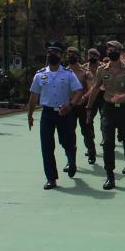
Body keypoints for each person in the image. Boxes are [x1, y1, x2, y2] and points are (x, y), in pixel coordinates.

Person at [27, 41, 83, 190]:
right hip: (47, 114)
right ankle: (51, 178)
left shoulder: (68, 74)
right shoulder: (40, 75)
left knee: (67, 142)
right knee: (47, 146)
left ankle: (71, 160)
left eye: (56, 52)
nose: (52, 55)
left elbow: (78, 92)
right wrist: (30, 115)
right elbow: (33, 96)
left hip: (64, 112)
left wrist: (70, 105)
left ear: (60, 55)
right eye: (50, 52)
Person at [85, 41, 125, 190]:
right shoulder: (102, 70)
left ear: (120, 52)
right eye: (109, 49)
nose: (110, 51)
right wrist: (89, 108)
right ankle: (110, 175)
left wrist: (123, 97)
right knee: (108, 142)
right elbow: (95, 88)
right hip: (108, 109)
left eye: (113, 49)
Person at [66, 46, 97, 165]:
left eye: (72, 54)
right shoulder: (64, 71)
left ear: (78, 56)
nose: (70, 56)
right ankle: (71, 159)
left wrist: (83, 97)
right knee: (69, 133)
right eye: (68, 54)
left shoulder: (85, 72)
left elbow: (92, 88)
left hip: (82, 106)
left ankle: (91, 151)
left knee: (86, 131)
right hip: (70, 106)